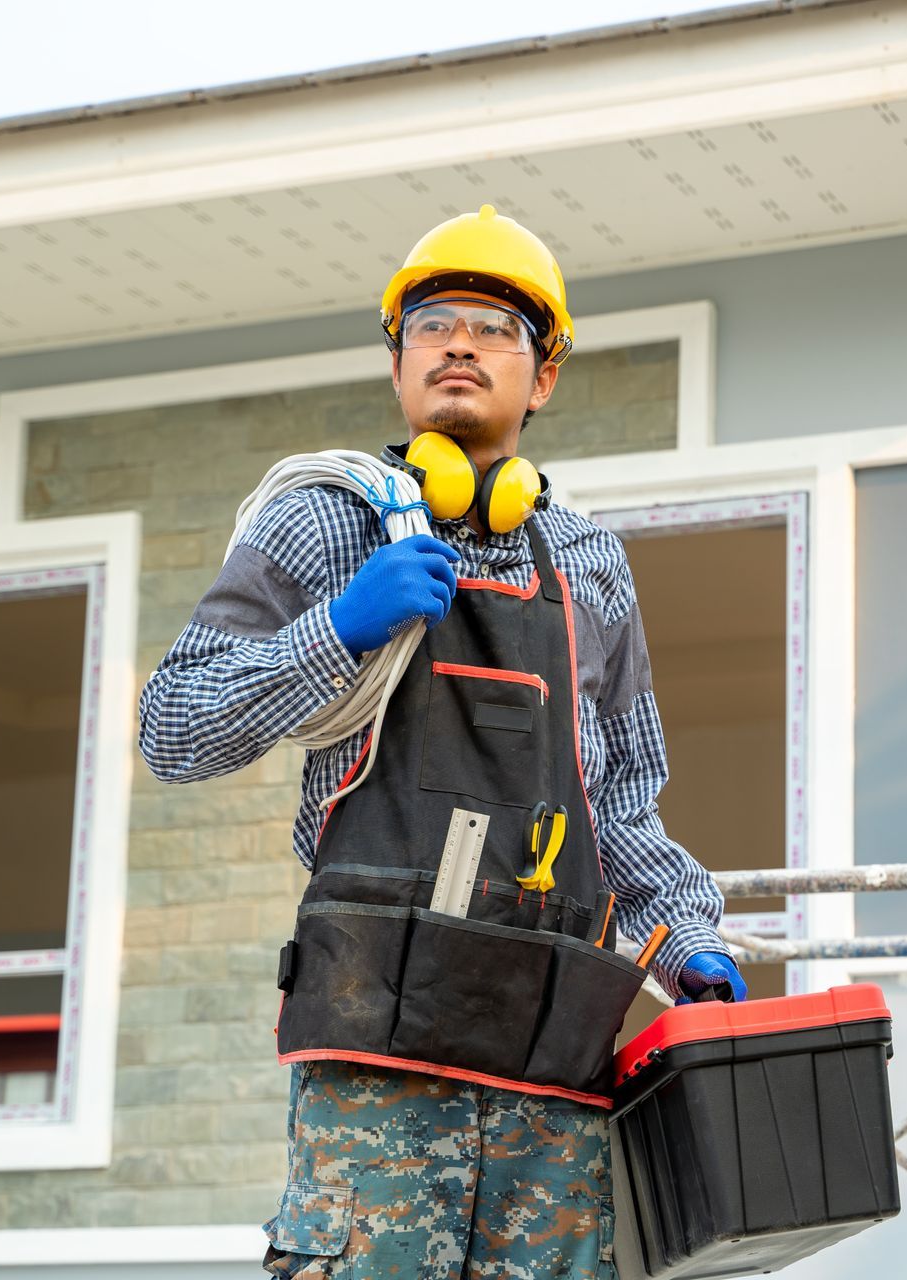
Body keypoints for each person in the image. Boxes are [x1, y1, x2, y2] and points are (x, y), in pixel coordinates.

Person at [136, 204, 745, 1279]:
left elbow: (623, 807)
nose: (460, 342)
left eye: (495, 326)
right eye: (433, 322)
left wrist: (686, 934)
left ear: (542, 375)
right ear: (398, 360)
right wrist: (340, 627)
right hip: (378, 1073)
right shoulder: (326, 522)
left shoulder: (592, 564)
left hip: (552, 1091)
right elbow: (175, 725)